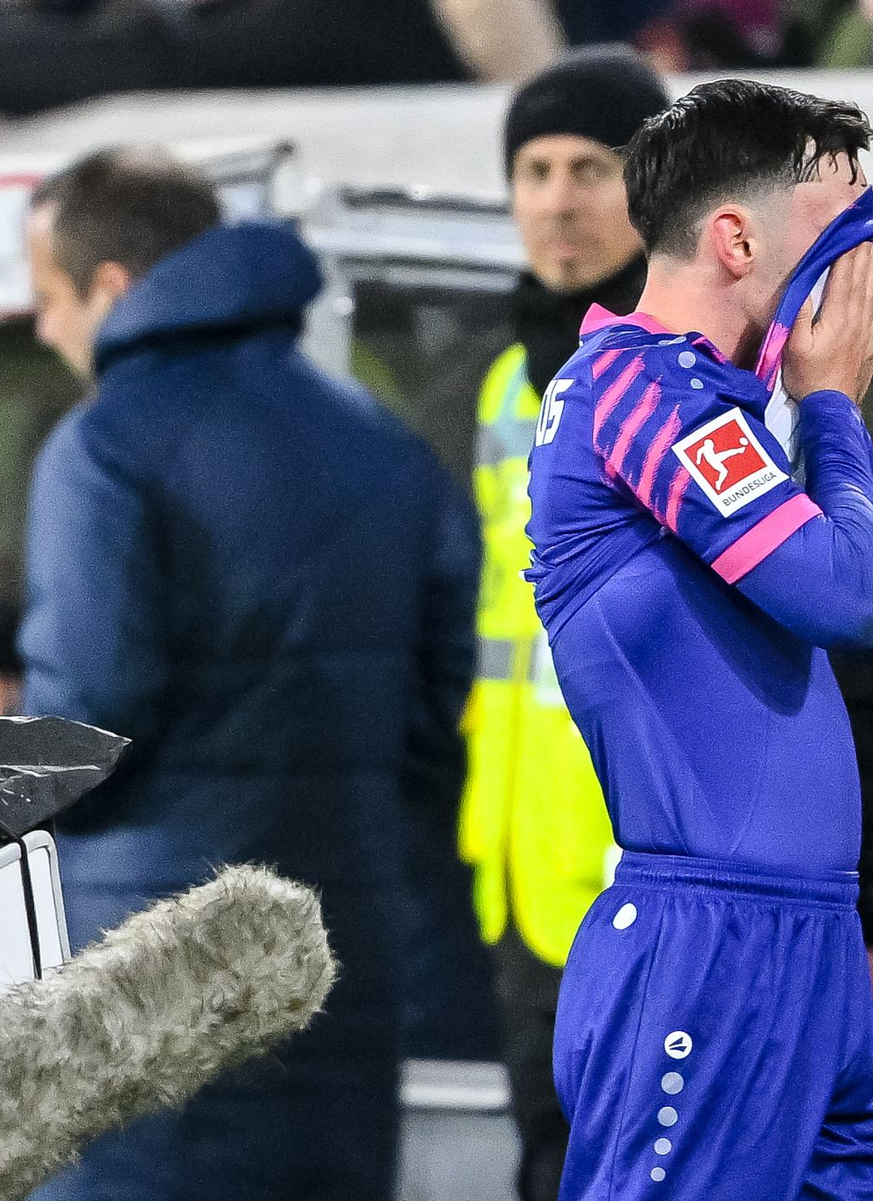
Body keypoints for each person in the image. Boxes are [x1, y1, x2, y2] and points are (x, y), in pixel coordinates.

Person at [19, 148, 478, 1201]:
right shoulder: (383, 444)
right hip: (338, 964)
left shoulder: (103, 449)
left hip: (146, 984)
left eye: (48, 298)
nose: (43, 330)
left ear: (111, 288)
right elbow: (434, 701)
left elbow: (86, 725)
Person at [526, 79, 873, 1198]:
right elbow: (844, 598)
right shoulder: (635, 388)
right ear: (738, 240)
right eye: (843, 233)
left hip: (809, 939)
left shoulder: (720, 405)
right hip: (708, 946)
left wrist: (821, 410)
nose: (864, 272)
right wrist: (831, 406)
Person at [454, 47, 669, 1201]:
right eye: (533, 171)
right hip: (530, 875)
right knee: (552, 1155)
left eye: (592, 167)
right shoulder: (509, 384)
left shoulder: (705, 375)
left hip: (653, 869)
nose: (557, 201)